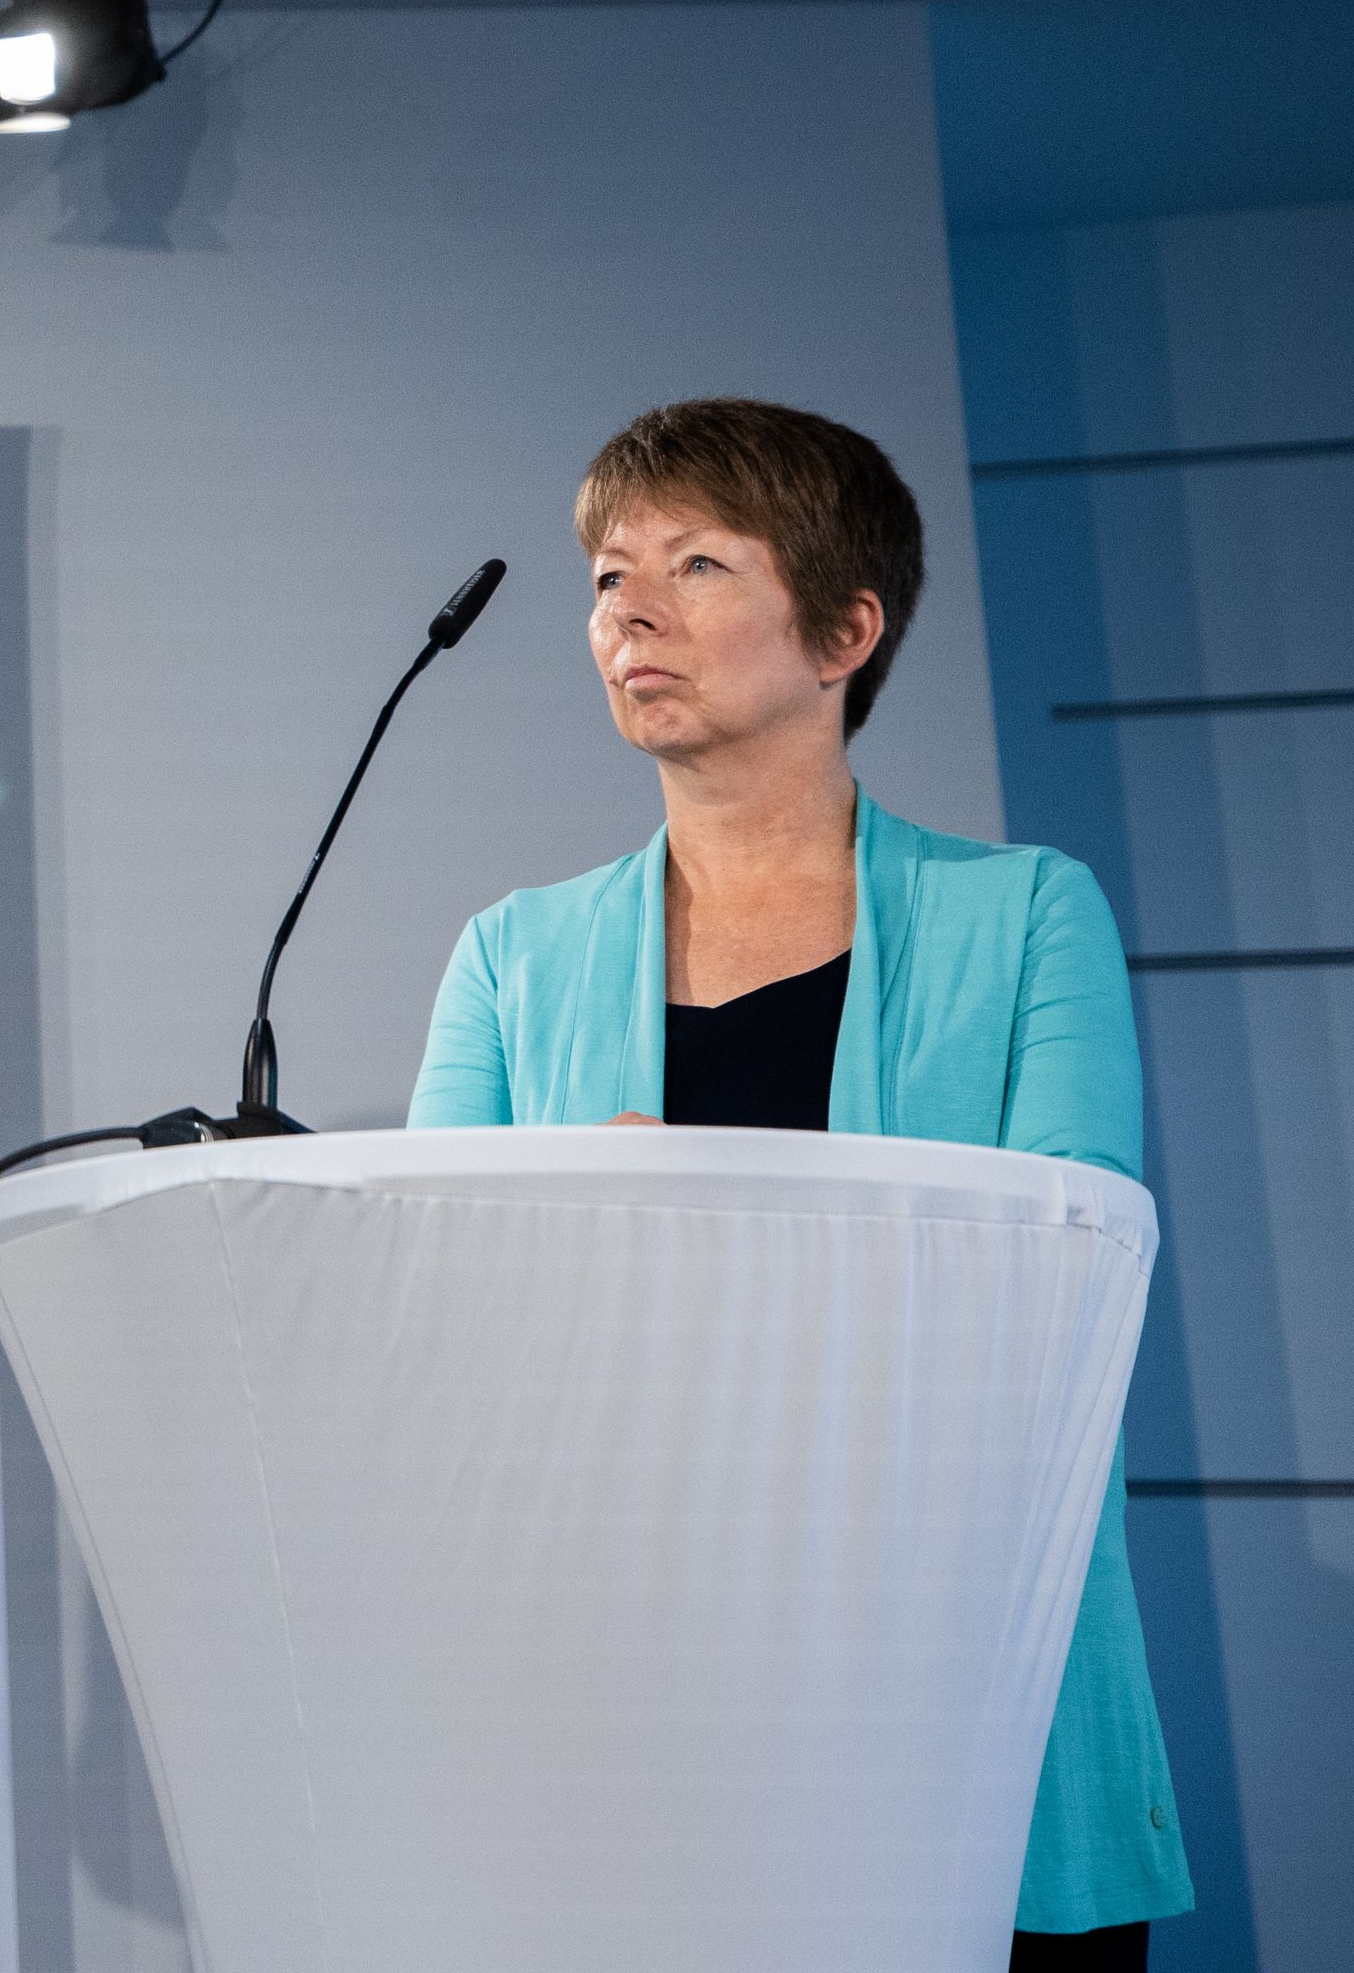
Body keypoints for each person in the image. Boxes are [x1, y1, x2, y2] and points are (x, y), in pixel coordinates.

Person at [409, 397, 1192, 1967]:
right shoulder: (512, 958)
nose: (627, 608)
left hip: (951, 1655)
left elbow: (1070, 1269)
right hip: (633, 1672)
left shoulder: (1026, 915)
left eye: (696, 563)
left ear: (845, 629)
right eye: (607, 575)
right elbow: (435, 1308)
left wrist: (686, 1213)